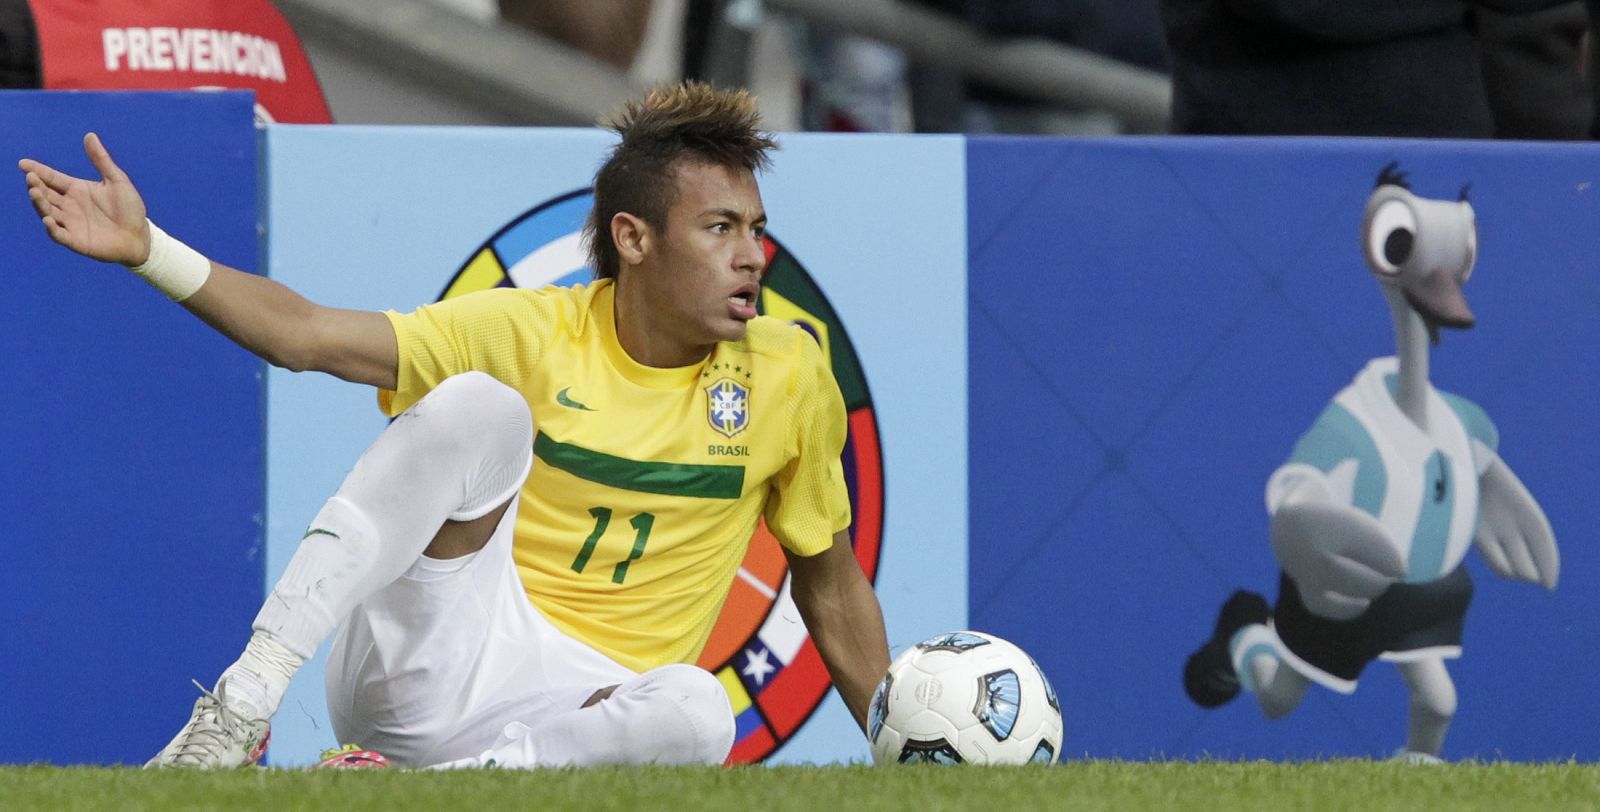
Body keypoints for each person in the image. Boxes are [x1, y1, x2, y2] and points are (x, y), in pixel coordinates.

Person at [18, 81, 891, 769]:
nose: (751, 256)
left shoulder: (790, 373)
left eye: (757, 230)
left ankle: (427, 791)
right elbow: (307, 335)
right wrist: (152, 251)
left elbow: (831, 585)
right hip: (429, 671)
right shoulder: (529, 332)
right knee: (482, 406)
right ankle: (240, 706)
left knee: (700, 710)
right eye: (720, 228)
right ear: (633, 239)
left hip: (572, 723)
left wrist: (903, 743)